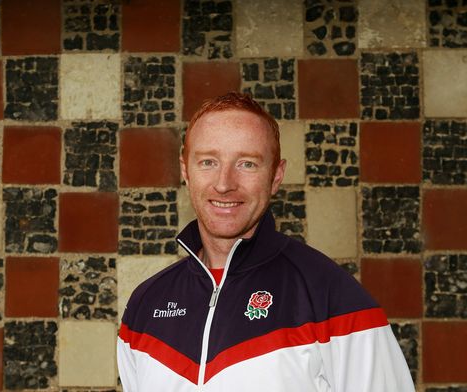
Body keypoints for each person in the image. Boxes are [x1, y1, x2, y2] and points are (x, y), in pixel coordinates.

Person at [117, 92, 415, 391]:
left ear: (276, 176)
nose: (224, 184)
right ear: (186, 171)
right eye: (208, 161)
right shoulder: (146, 306)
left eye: (247, 164)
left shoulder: (335, 299)